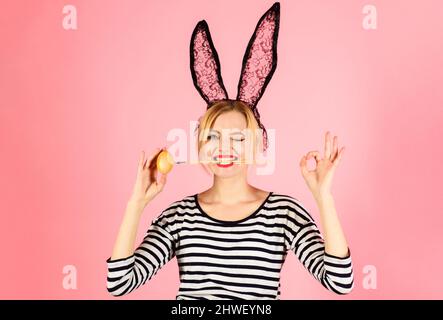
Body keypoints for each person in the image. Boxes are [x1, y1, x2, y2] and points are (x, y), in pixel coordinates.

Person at [106, 2, 354, 299]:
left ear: (257, 144)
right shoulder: (178, 217)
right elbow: (119, 284)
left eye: (237, 138)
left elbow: (340, 283)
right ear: (200, 145)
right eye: (213, 137)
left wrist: (323, 197)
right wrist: (137, 202)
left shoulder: (283, 214)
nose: (224, 148)